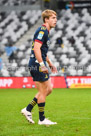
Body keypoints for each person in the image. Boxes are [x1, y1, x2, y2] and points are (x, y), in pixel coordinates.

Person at [21, 9, 57, 125]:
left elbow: (42, 51)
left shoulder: (46, 31)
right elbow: (36, 48)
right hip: (37, 64)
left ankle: (28, 109)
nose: (55, 20)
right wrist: (42, 65)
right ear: (46, 19)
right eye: (53, 18)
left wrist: (49, 63)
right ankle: (42, 119)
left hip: (39, 62)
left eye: (56, 18)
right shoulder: (42, 30)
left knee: (49, 89)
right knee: (43, 91)